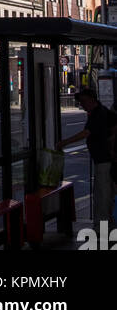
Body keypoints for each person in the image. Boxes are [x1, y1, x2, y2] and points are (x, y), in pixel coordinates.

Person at [59, 87, 117, 228]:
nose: (82, 105)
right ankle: (108, 224)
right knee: (107, 194)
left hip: (103, 160)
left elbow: (86, 133)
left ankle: (101, 229)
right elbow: (115, 124)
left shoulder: (98, 114)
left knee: (102, 195)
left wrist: (64, 142)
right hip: (106, 159)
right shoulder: (102, 111)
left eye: (83, 101)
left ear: (92, 100)